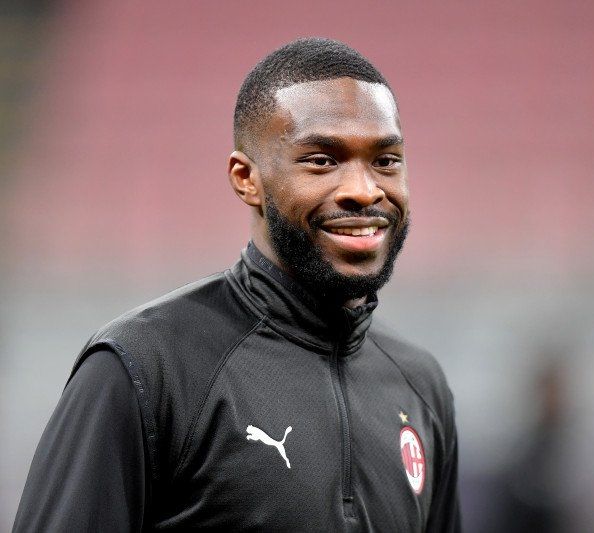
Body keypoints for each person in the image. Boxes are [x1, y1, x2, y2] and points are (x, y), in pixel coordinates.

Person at [13, 37, 460, 532]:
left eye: (386, 161)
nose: (364, 189)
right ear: (247, 178)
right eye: (321, 160)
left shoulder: (421, 386)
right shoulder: (146, 367)